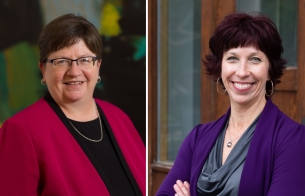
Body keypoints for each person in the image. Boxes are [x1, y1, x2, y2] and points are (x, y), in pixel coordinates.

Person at [156, 12, 305, 196]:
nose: (242, 72)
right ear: (220, 68)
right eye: (232, 58)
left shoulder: (294, 141)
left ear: (270, 70)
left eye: (255, 59)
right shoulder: (197, 139)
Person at [0, 14, 145, 195]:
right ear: (43, 70)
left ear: (98, 65)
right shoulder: (21, 130)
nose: (74, 72)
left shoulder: (119, 118)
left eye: (85, 60)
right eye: (61, 61)